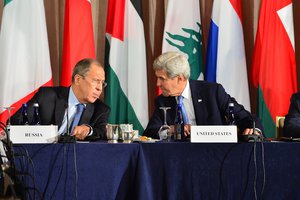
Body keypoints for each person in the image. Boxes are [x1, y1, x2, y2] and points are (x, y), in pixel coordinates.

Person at [143, 51, 263, 139]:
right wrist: (171, 130)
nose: (157, 84)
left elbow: (246, 117)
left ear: (180, 78)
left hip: (213, 154)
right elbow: (150, 131)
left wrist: (254, 130)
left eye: (162, 79)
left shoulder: (212, 92)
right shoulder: (163, 100)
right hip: (178, 157)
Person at [10, 58, 110, 141]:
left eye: (102, 83)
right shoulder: (46, 96)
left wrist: (89, 130)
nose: (100, 88)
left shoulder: (101, 109)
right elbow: (15, 122)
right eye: (96, 81)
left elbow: (103, 132)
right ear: (78, 79)